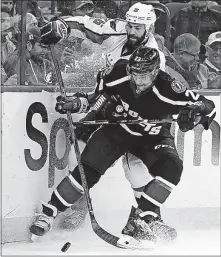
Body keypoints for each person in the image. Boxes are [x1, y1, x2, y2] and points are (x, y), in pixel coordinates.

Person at [30, 46, 216, 248]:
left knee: (172, 167)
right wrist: (76, 104)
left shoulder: (170, 89)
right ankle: (48, 213)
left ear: (156, 72)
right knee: (85, 173)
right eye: (135, 74)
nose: (139, 81)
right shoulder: (118, 73)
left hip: (151, 138)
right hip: (116, 132)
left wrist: (195, 113)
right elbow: (97, 98)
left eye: (144, 75)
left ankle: (142, 220)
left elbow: (208, 106)